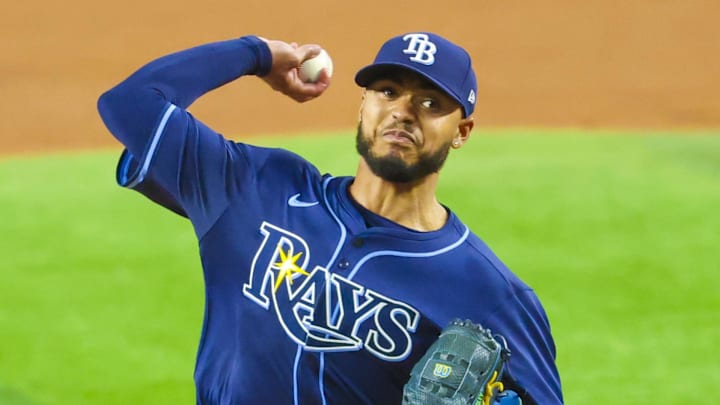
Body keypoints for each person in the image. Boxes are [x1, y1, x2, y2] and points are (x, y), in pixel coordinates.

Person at [97, 32, 563, 404]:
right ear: (362, 104)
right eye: (387, 91)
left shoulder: (492, 295)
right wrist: (257, 54)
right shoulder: (256, 187)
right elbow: (130, 103)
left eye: (430, 103)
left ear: (461, 132)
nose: (403, 111)